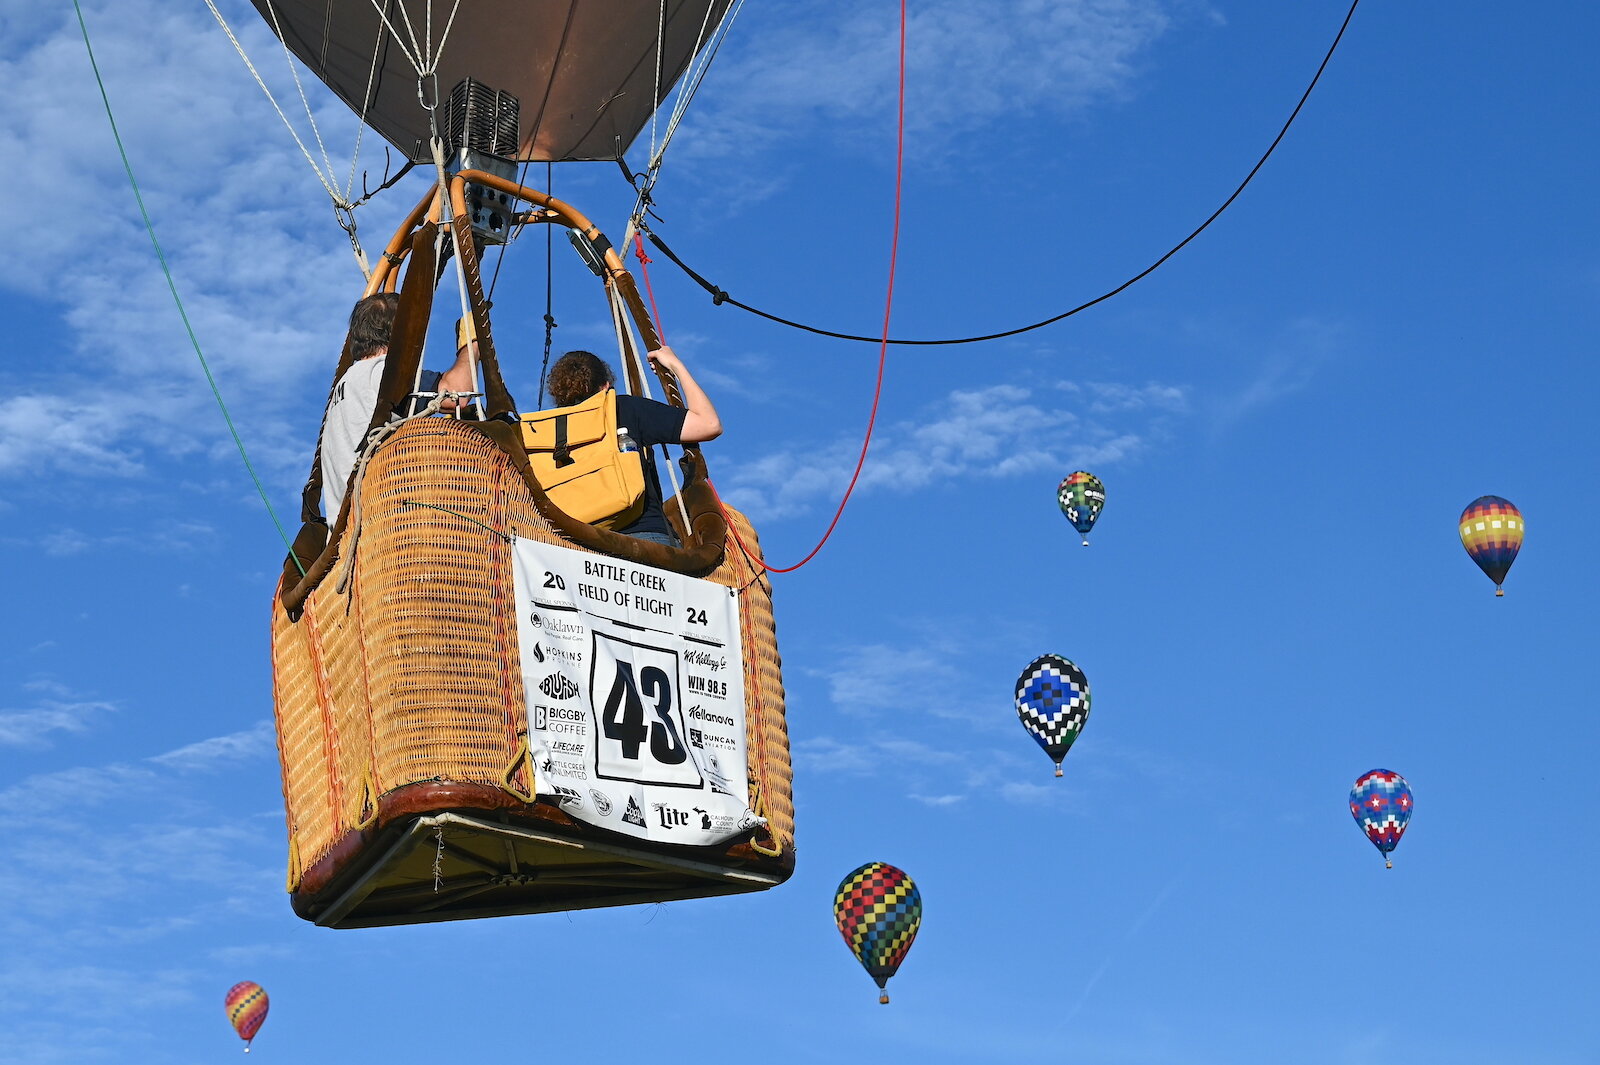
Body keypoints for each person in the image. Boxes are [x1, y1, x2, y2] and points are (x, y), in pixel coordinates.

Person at [318, 294, 479, 520]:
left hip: (349, 530)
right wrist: (471, 345)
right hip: (383, 523)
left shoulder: (347, 382)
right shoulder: (384, 373)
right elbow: (457, 395)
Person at [544, 346, 722, 546]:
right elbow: (709, 425)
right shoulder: (624, 408)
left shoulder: (548, 433)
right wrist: (675, 365)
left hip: (575, 547)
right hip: (645, 538)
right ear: (605, 387)